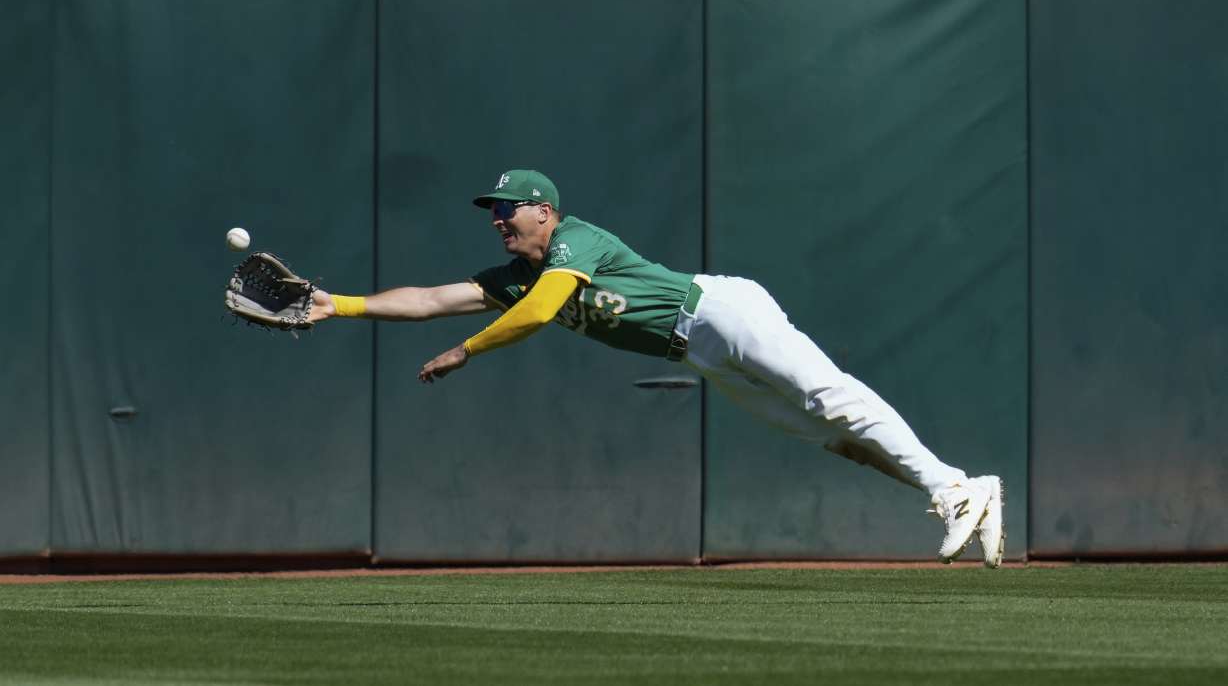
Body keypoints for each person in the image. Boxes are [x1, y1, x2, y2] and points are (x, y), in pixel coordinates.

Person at [308, 169, 1005, 567]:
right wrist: (335, 304)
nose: (497, 219)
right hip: (695, 349)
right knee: (832, 438)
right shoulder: (511, 276)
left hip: (718, 311)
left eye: (507, 208)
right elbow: (430, 298)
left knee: (830, 396)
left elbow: (546, 310)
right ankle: (963, 488)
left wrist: (469, 349)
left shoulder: (573, 243)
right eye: (492, 211)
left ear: (545, 213)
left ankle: (951, 488)